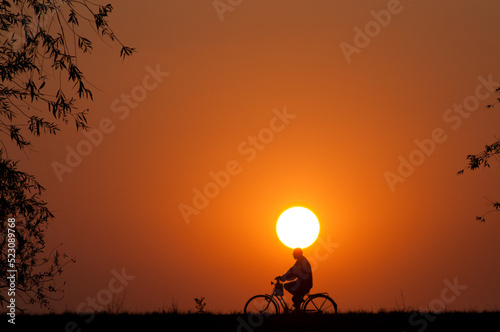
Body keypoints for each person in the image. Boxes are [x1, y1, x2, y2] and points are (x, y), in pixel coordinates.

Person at [277, 247, 313, 312]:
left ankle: (298, 303)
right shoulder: (301, 260)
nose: (293, 255)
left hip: (304, 284)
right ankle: (298, 310)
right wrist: (283, 277)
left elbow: (293, 271)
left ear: (298, 254)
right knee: (295, 298)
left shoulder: (301, 261)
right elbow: (292, 271)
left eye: (294, 253)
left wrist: (283, 278)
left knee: (287, 287)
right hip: (304, 283)